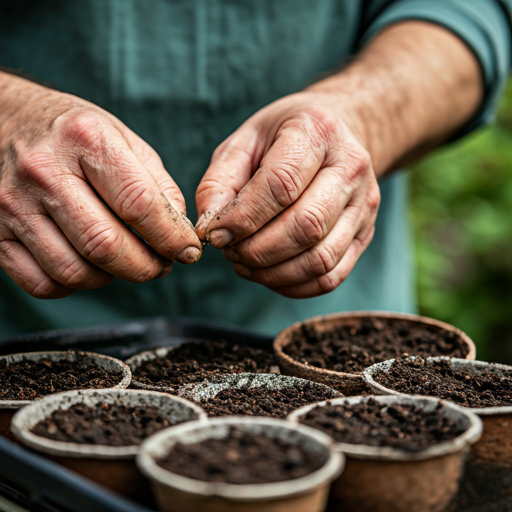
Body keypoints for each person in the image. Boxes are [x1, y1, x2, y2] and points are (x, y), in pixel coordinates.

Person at [0, 1, 510, 338]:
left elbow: (464, 15)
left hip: (326, 340)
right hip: (24, 331)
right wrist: (8, 119)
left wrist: (363, 114)